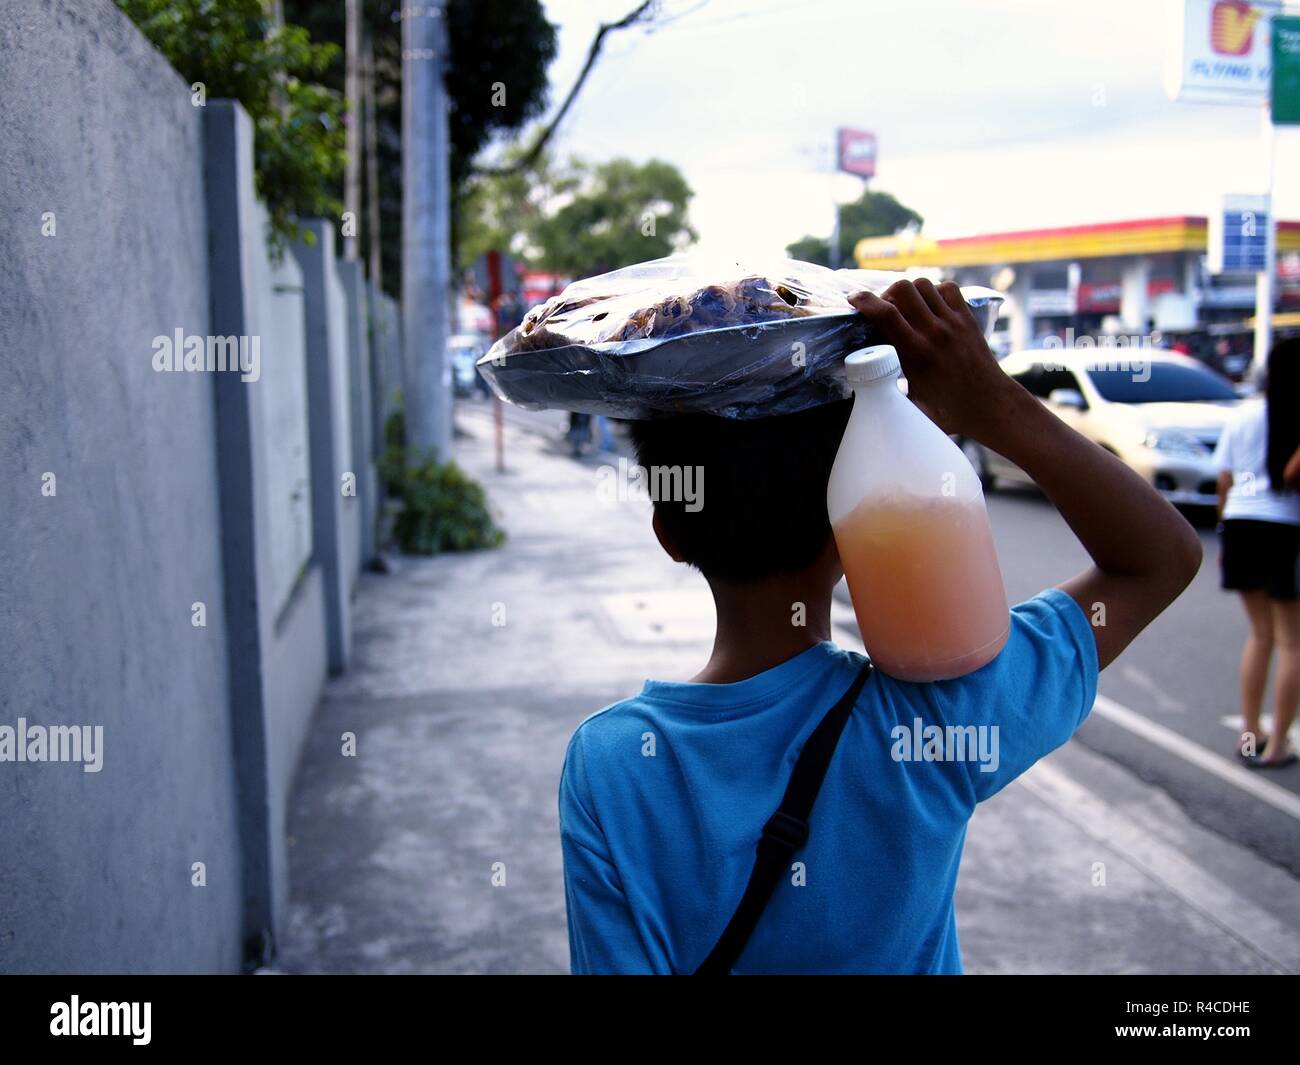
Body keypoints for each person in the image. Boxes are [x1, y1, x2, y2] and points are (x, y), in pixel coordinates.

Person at [558, 279, 1202, 974]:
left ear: (668, 532)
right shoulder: (937, 714)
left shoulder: (610, 764)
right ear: (850, 524)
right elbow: (1159, 561)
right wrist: (995, 404)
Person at [1214, 338, 1300, 769]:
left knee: (1260, 635)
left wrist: (1224, 530)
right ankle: (1278, 744)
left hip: (1241, 526)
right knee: (1292, 643)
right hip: (1286, 530)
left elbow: (1224, 480)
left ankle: (1251, 735)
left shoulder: (1244, 415)